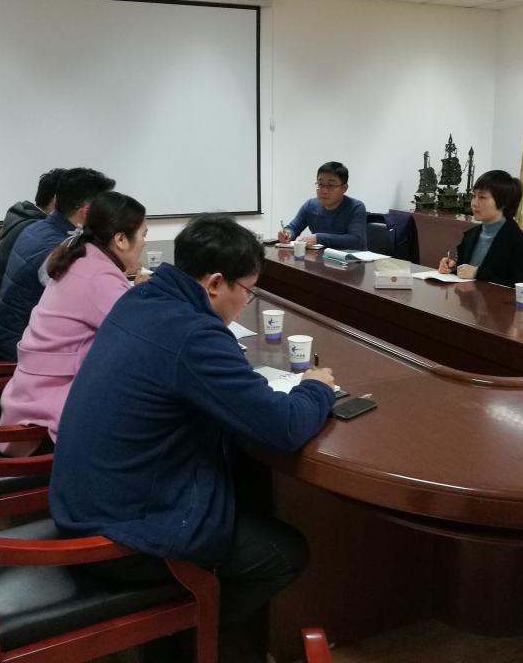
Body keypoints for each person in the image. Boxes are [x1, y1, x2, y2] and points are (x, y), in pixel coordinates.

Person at [50, 213, 336, 662]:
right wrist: (316, 387)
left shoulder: (140, 297)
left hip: (84, 500)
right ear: (215, 283)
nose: (245, 300)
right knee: (283, 554)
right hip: (122, 532)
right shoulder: (194, 335)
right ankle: (187, 635)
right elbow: (282, 427)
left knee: (244, 483)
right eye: (247, 290)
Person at [0, 191, 147, 456]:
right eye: (143, 235)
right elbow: (145, 335)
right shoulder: (98, 277)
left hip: (30, 395)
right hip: (43, 419)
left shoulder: (81, 255)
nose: (145, 243)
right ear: (121, 240)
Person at [0, 167, 115, 361]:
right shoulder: (60, 248)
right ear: (86, 212)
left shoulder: (36, 228)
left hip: (10, 341)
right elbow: (90, 303)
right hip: (22, 357)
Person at [0, 168, 65, 325]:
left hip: (0, 311)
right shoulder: (38, 230)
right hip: (5, 320)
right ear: (56, 200)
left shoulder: (25, 218)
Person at [437, 170, 523, 286]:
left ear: (503, 202)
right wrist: (452, 268)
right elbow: (466, 273)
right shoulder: (471, 235)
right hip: (467, 296)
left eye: (482, 197)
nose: (474, 203)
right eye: (474, 196)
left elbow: (522, 287)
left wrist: (477, 273)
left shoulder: (517, 241)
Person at [277, 161, 367, 249]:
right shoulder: (310, 205)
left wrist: (319, 238)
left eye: (331, 185)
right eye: (320, 184)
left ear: (344, 188)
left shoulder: (356, 207)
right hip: (320, 256)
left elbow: (356, 239)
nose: (324, 191)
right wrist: (288, 234)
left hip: (350, 257)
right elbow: (293, 228)